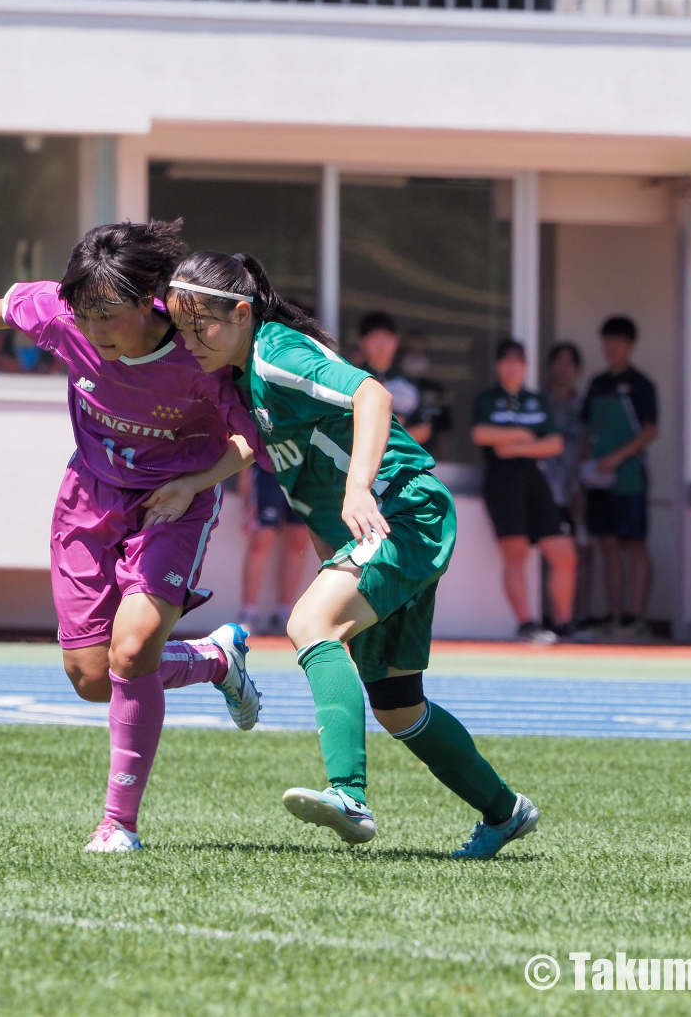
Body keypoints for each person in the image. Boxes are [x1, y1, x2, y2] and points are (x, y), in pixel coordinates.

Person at [167, 251, 539, 861]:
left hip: (401, 512)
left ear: (240, 313)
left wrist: (359, 485)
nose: (189, 342)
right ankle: (504, 811)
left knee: (311, 624)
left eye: (197, 327)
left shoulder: (276, 352)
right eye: (181, 330)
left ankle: (349, 796)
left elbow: (372, 394)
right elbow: (264, 447)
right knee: (398, 707)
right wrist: (198, 481)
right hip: (388, 524)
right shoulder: (244, 376)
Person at [0, 221, 262, 854]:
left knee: (131, 653)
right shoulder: (67, 315)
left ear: (148, 299)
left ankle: (118, 824)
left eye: (108, 315)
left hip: (172, 503)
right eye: (85, 314)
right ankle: (213, 660)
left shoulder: (199, 353)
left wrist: (195, 483)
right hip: (89, 499)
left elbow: (248, 441)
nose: (94, 330)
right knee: (92, 676)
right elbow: (19, 301)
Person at [472, 340, 577, 643]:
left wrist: (516, 446)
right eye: (506, 360)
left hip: (535, 476)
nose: (512, 366)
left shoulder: (537, 400)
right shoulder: (488, 399)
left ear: (527, 366)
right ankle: (527, 624)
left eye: (518, 360)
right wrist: (522, 434)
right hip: (502, 480)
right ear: (497, 365)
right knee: (515, 553)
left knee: (563, 553)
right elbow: (480, 433)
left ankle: (564, 623)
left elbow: (555, 443)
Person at [579, 315, 658, 640]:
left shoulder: (641, 384)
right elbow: (585, 431)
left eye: (619, 342)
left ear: (631, 346)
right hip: (596, 478)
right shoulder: (597, 384)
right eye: (608, 341)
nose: (612, 348)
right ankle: (613, 614)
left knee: (634, 544)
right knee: (607, 543)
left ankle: (635, 615)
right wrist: (581, 470)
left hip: (628, 477)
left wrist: (617, 458)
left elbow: (651, 430)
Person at [542, 341, 595, 626]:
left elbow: (587, 444)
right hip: (542, 488)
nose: (563, 368)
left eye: (569, 363)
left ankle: (578, 615)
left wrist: (580, 489)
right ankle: (547, 616)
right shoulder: (538, 401)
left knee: (579, 552)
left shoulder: (583, 405)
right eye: (558, 361)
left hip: (573, 488)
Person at [355, 312, 451, 460]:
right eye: (374, 338)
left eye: (386, 338)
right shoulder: (353, 379)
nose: (381, 345)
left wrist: (391, 437)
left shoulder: (409, 384)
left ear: (395, 342)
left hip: (400, 463)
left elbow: (424, 429)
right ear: (362, 342)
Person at [237, 463, 311, 636]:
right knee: (261, 538)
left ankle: (283, 614)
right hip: (267, 469)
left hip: (306, 473)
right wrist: (244, 473)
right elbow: (246, 436)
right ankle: (248, 614)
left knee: (299, 543)